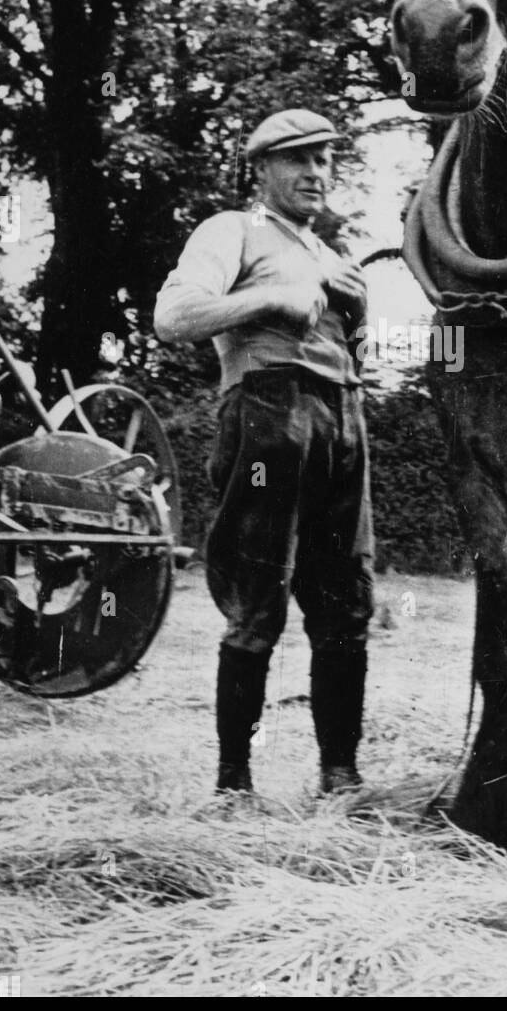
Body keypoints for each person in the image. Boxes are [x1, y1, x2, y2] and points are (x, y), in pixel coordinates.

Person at [154, 109, 374, 795]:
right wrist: (272, 297)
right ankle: (234, 785)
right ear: (261, 171)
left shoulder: (332, 257)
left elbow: (350, 348)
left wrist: (354, 307)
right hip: (268, 414)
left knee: (346, 603)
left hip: (343, 420)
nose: (315, 173)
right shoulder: (233, 230)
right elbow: (173, 318)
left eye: (324, 160)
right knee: (258, 602)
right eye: (297, 161)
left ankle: (340, 778)